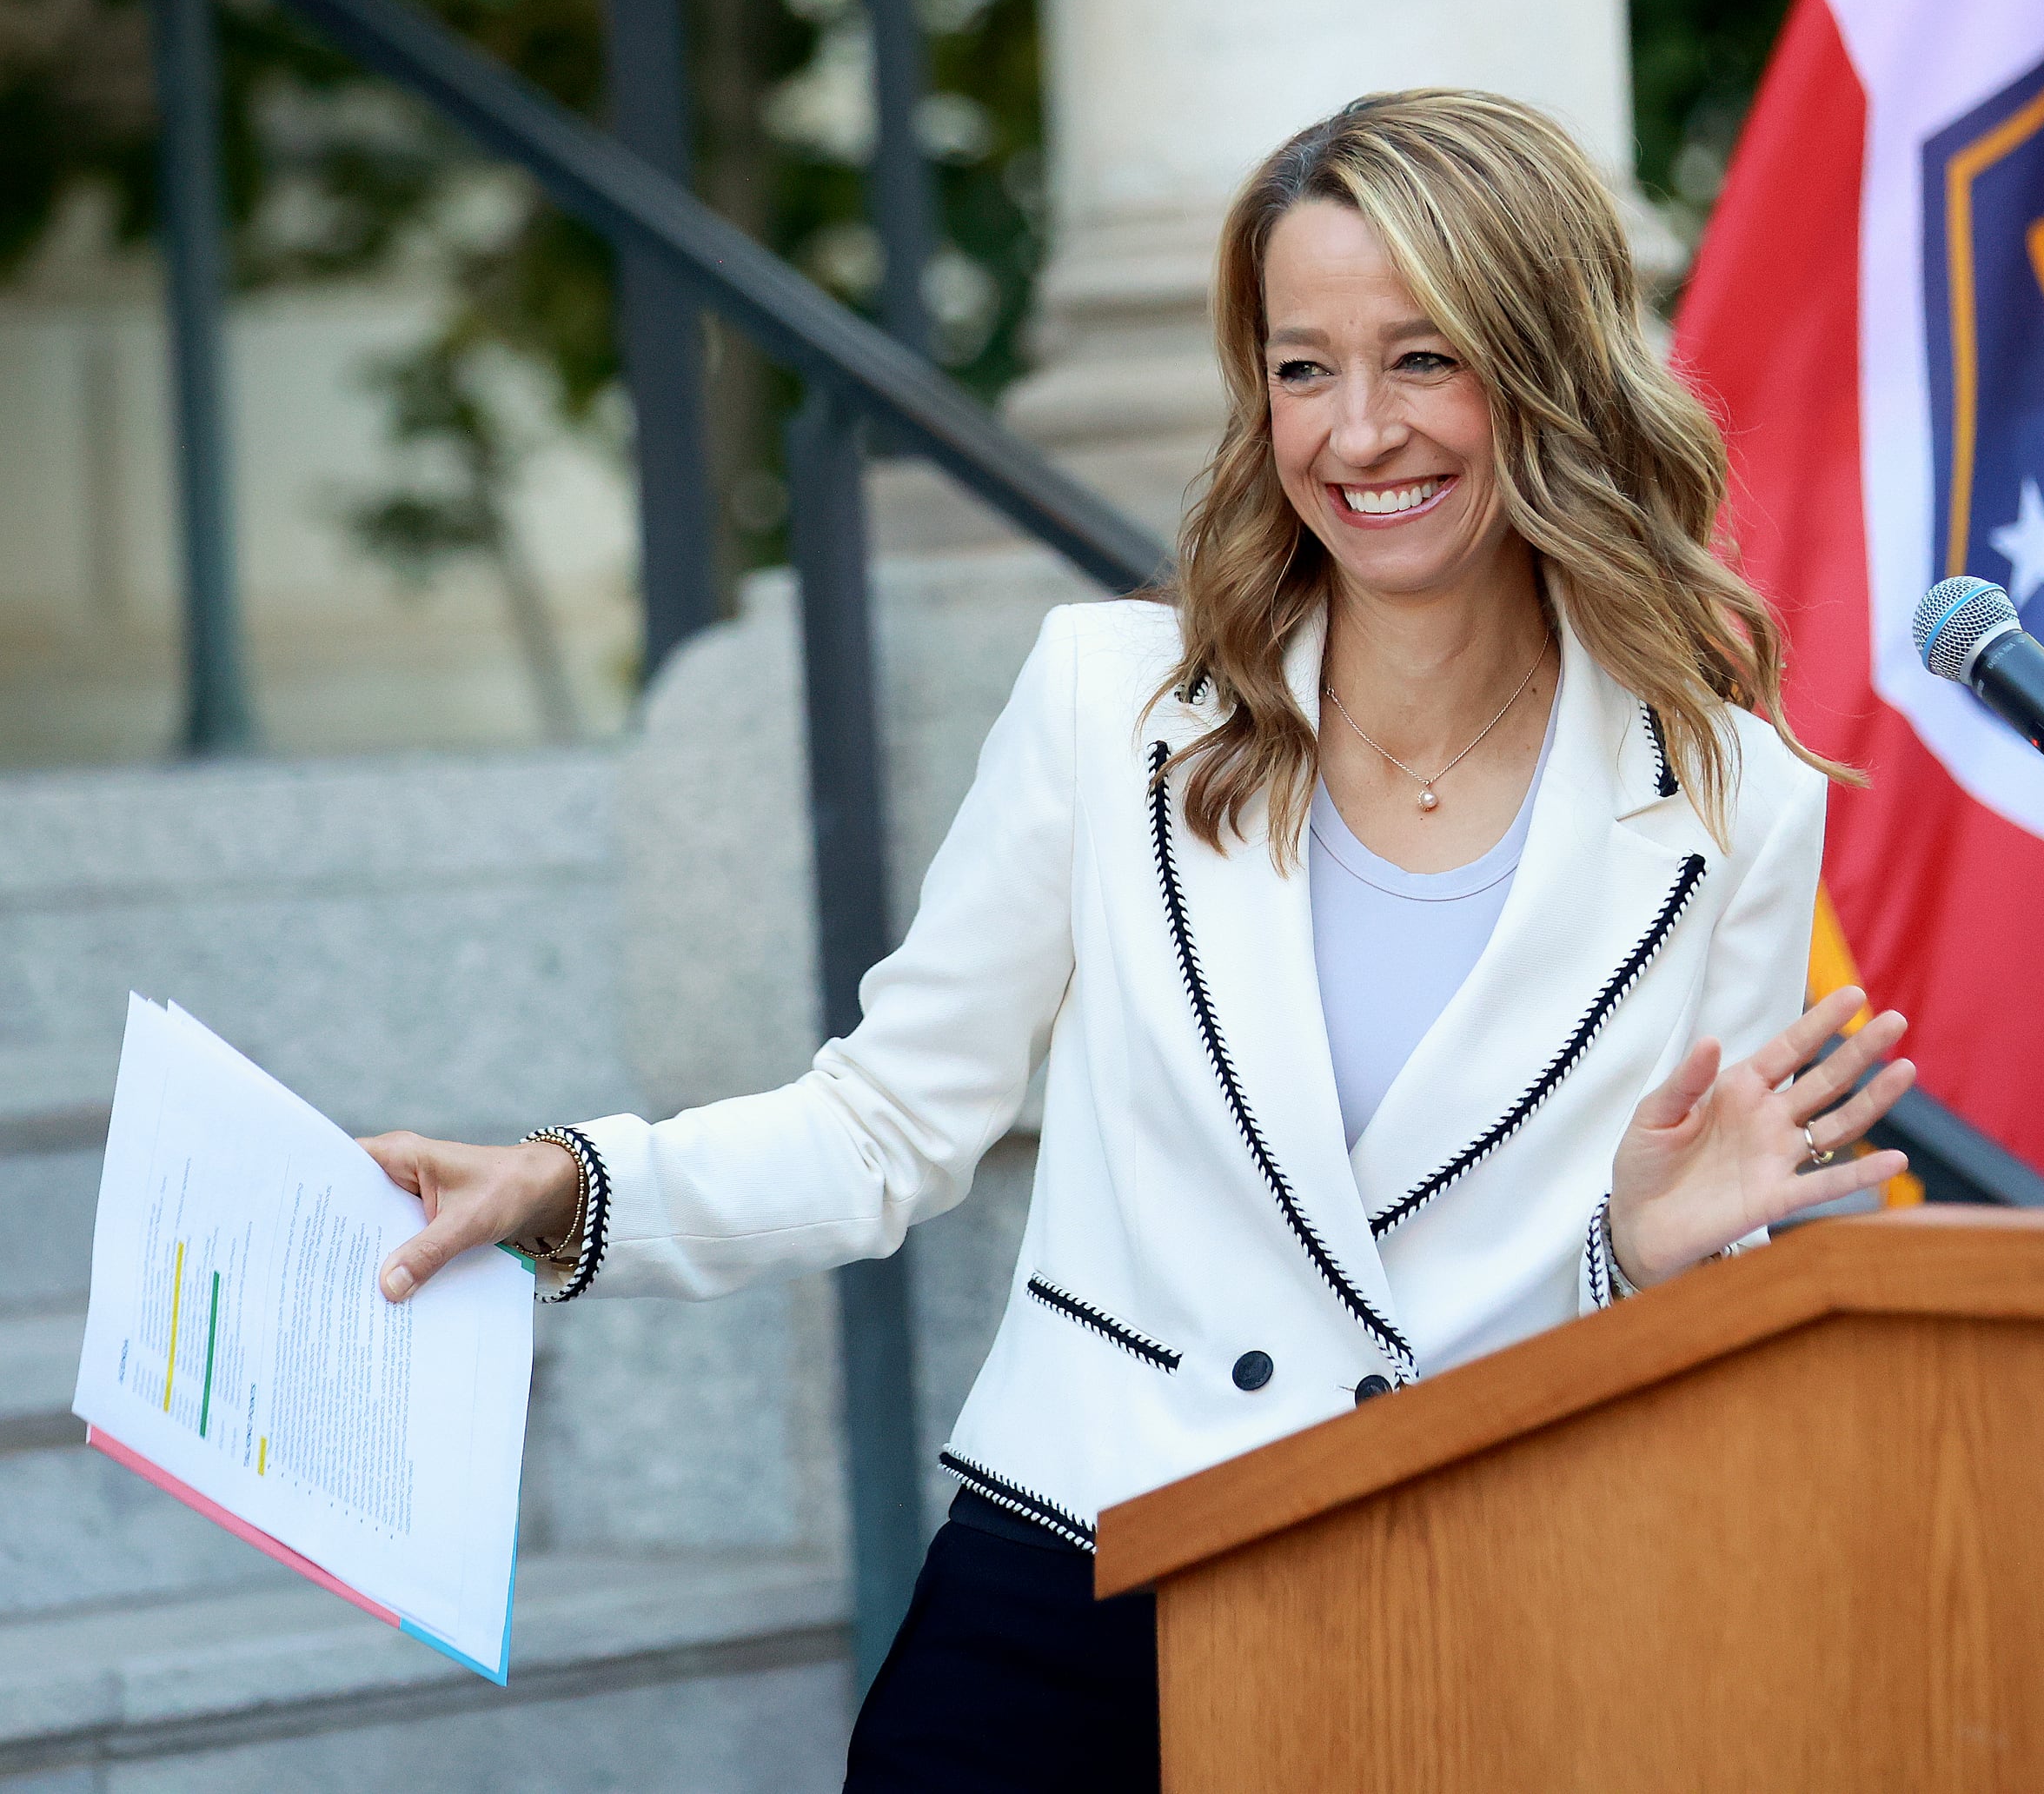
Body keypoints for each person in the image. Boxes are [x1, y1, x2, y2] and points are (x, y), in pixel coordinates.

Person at [359, 89, 1917, 1791]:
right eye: (1303, 366)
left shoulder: (1729, 802)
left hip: (1469, 1605)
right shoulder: (1111, 702)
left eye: (1424, 359)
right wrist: (569, 1185)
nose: (1358, 431)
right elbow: (885, 1122)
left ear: (1548, 374)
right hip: (1076, 1583)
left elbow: (1689, 1326)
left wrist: (1644, 1257)